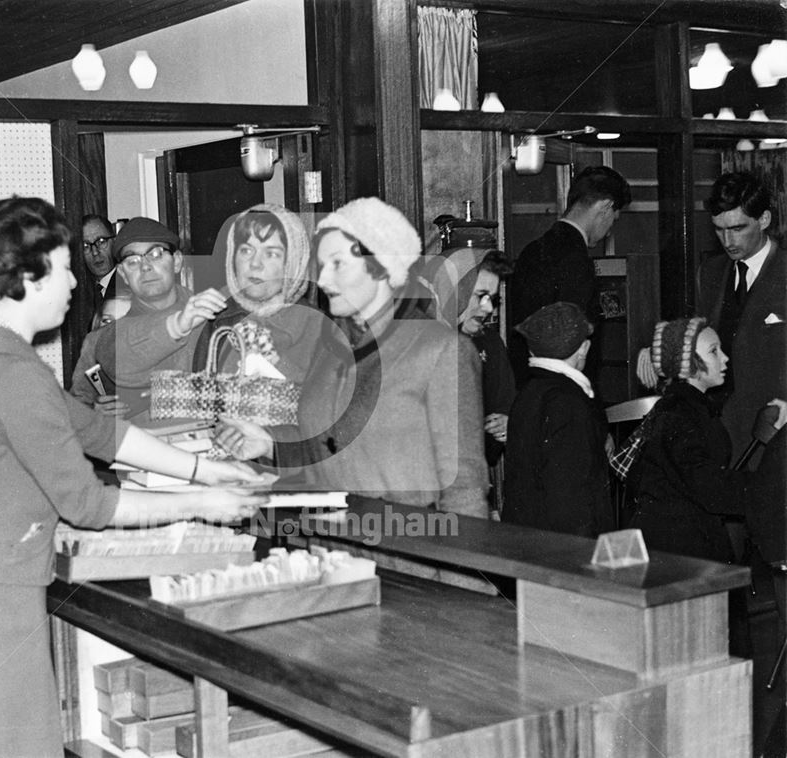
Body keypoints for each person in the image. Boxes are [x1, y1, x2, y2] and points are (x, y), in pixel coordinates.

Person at [0, 197, 265, 758]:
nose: (77, 281)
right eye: (61, 267)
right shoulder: (10, 374)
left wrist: (206, 468)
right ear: (24, 278)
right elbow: (89, 505)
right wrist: (206, 500)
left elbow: (103, 434)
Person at [217, 197, 490, 516]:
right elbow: (331, 446)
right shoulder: (331, 346)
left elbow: (463, 490)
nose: (324, 280)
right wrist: (270, 443)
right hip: (330, 549)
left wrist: (459, 563)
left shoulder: (439, 350)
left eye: (338, 264)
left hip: (405, 552)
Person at [638, 172, 786, 468]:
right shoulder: (710, 272)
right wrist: (656, 350)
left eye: (737, 228)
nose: (728, 241)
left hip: (775, 430)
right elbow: (699, 337)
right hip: (720, 430)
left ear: (765, 220)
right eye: (719, 230)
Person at [627, 317, 786, 561]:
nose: (725, 358)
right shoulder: (679, 414)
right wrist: (770, 488)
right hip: (679, 548)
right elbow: (708, 486)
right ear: (687, 365)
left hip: (687, 536)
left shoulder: (688, 406)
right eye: (714, 351)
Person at [93, 216, 229, 420]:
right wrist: (92, 412)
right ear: (122, 273)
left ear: (177, 261)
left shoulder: (214, 317)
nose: (145, 267)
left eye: (156, 254)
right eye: (133, 261)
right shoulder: (112, 328)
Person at [508, 165, 631, 386]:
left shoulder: (533, 250)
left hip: (529, 383)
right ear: (605, 207)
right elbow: (573, 341)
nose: (610, 229)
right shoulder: (577, 260)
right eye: (615, 218)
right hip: (564, 389)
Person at [503, 301, 613, 537]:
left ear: (532, 351)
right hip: (563, 553)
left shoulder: (529, 392)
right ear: (584, 349)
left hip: (527, 542)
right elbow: (571, 498)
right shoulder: (569, 402)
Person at [190, 204, 323, 382]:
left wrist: (275, 363)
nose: (255, 263)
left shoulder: (317, 327)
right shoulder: (211, 314)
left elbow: (323, 399)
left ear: (291, 264)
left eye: (271, 253)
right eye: (246, 250)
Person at [425, 247, 516, 465]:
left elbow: (505, 404)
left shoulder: (490, 343)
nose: (488, 308)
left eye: (492, 298)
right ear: (452, 291)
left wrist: (508, 423)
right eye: (480, 296)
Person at [69, 294, 132, 415]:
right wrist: (94, 409)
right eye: (107, 321)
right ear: (98, 323)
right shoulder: (91, 349)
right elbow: (77, 400)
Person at [81, 213, 123, 302]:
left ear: (114, 241)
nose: (95, 252)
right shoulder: (80, 292)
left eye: (101, 241)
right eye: (86, 246)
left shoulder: (129, 284)